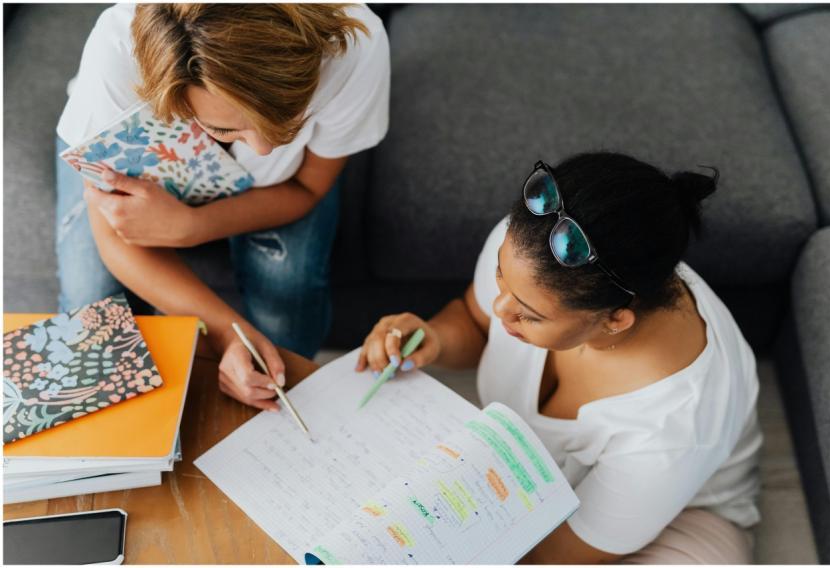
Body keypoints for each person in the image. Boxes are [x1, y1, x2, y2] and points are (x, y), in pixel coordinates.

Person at [357, 152, 762, 563]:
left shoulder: (674, 426)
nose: (500, 309)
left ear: (614, 321)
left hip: (677, 516)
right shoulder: (536, 250)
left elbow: (551, 554)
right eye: (501, 275)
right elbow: (476, 322)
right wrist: (436, 337)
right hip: (521, 476)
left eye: (528, 315)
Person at [54, 3, 389, 412]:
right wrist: (227, 332)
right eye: (225, 128)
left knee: (287, 299)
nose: (267, 148)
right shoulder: (118, 55)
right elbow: (114, 235)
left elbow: (305, 186)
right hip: (125, 141)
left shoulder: (354, 42)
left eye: (292, 120)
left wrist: (192, 227)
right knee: (92, 305)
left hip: (286, 187)